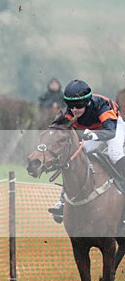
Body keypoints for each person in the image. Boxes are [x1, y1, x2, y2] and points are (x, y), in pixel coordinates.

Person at [48, 79, 125, 222]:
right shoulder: (70, 111)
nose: (74, 110)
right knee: (77, 155)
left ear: (87, 102)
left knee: (115, 154)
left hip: (114, 127)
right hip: (93, 130)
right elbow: (58, 128)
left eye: (78, 106)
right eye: (71, 106)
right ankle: (62, 201)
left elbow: (110, 132)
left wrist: (92, 135)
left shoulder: (102, 106)